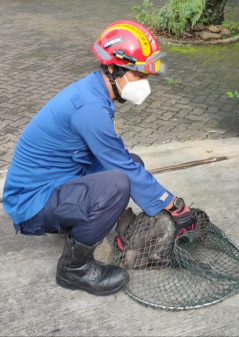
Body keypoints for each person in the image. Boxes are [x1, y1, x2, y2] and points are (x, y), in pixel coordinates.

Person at [2, 20, 195, 296]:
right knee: (119, 182)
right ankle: (73, 269)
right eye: (139, 75)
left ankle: (107, 223)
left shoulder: (94, 91)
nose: (145, 83)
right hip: (31, 202)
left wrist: (124, 208)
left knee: (132, 162)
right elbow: (118, 167)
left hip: (55, 181)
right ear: (113, 67)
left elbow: (115, 159)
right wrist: (171, 204)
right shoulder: (90, 108)